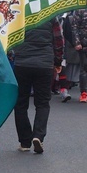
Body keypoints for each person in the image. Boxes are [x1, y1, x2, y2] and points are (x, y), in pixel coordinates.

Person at [11, 17, 64, 153]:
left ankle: (24, 141)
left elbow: (10, 37)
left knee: (20, 102)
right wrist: (57, 61)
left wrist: (13, 55)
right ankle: (38, 135)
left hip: (22, 63)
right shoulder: (51, 15)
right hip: (44, 63)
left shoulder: (21, 13)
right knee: (42, 103)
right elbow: (58, 40)